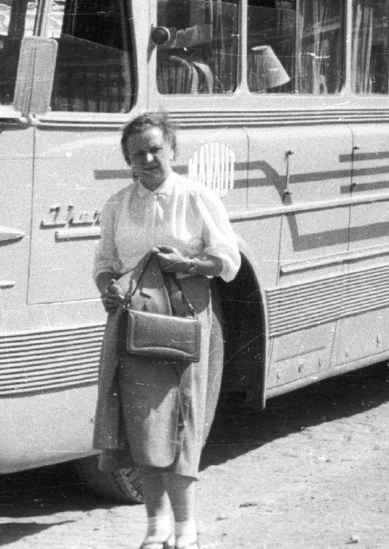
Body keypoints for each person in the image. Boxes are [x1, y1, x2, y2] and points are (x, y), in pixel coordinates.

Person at [93, 112, 241, 549]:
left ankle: (187, 529)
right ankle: (155, 527)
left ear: (172, 150)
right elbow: (104, 265)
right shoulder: (118, 203)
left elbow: (228, 261)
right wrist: (108, 291)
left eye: (156, 148)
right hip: (133, 326)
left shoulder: (197, 198)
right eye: (138, 153)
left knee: (182, 422)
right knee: (141, 426)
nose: (149, 158)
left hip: (183, 324)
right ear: (128, 161)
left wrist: (187, 264)